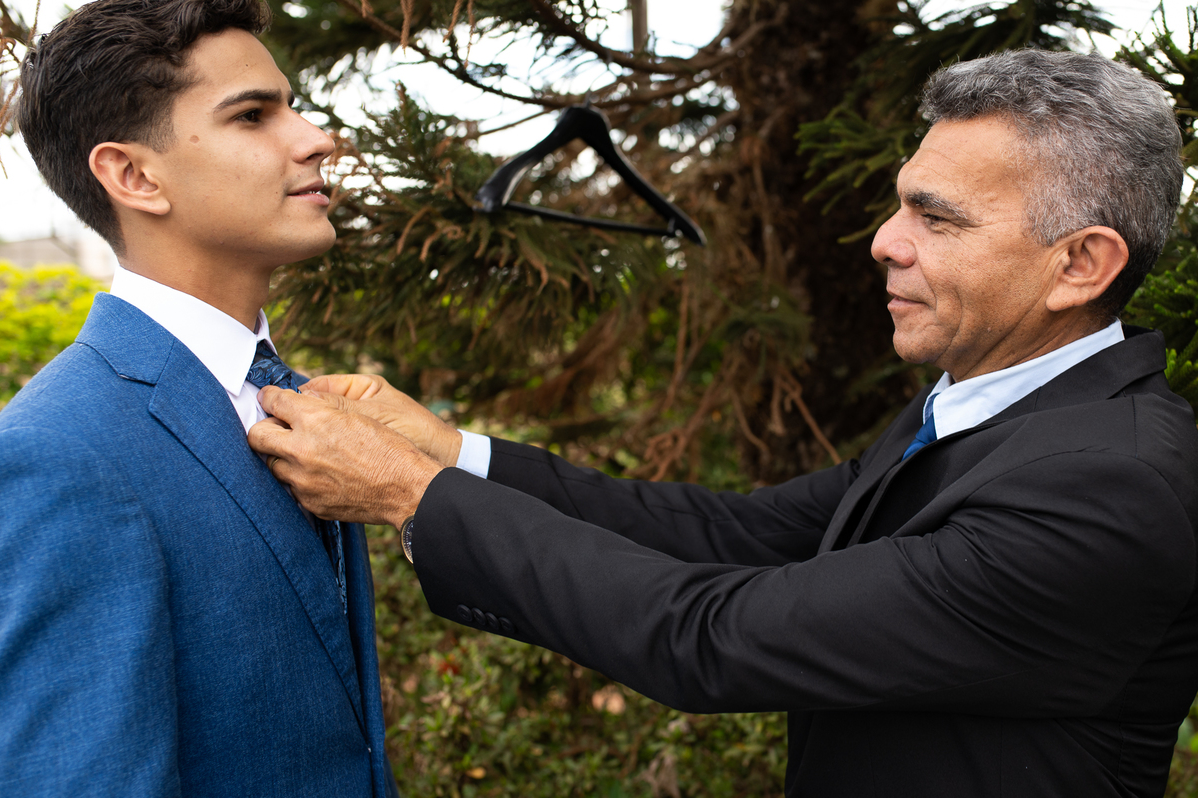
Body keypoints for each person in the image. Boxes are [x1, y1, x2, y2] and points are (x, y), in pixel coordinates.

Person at [250, 49, 1198, 797]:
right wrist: (456, 453)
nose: (883, 241)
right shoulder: (992, 410)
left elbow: (715, 637)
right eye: (899, 202)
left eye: (936, 218)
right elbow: (740, 534)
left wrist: (413, 496)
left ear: (1081, 264)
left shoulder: (1105, 487)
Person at [0, 1, 398, 795]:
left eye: (292, 104)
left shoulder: (295, 398)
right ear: (134, 176)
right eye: (253, 115)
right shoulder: (57, 453)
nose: (316, 138)